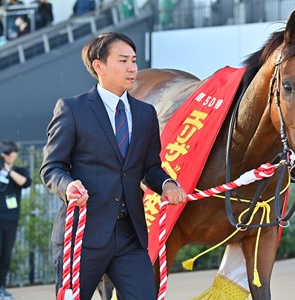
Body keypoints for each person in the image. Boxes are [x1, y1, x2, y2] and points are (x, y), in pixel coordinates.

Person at [40, 32, 188, 300]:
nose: (132, 68)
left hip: (129, 236)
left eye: (134, 60)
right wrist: (68, 185)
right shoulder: (72, 109)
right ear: (99, 66)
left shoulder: (145, 114)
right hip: (82, 238)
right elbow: (51, 168)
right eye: (123, 61)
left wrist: (166, 183)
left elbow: (150, 167)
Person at [0, 140, 32, 300]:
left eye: (12, 152)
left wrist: (8, 170)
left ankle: (0, 286)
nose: (10, 155)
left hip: (11, 219)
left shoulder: (19, 171)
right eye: (6, 153)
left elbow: (26, 183)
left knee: (6, 255)